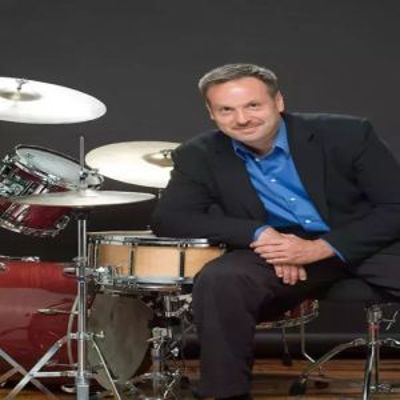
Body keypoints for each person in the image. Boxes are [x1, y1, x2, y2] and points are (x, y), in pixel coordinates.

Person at [151, 63, 400, 399]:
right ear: (211, 113)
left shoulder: (348, 134)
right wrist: (261, 234)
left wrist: (320, 248)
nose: (242, 119)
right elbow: (170, 218)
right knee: (221, 279)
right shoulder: (198, 154)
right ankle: (225, 394)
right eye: (226, 110)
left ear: (278, 102)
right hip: (278, 250)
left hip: (362, 240)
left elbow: (394, 206)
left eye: (253, 105)